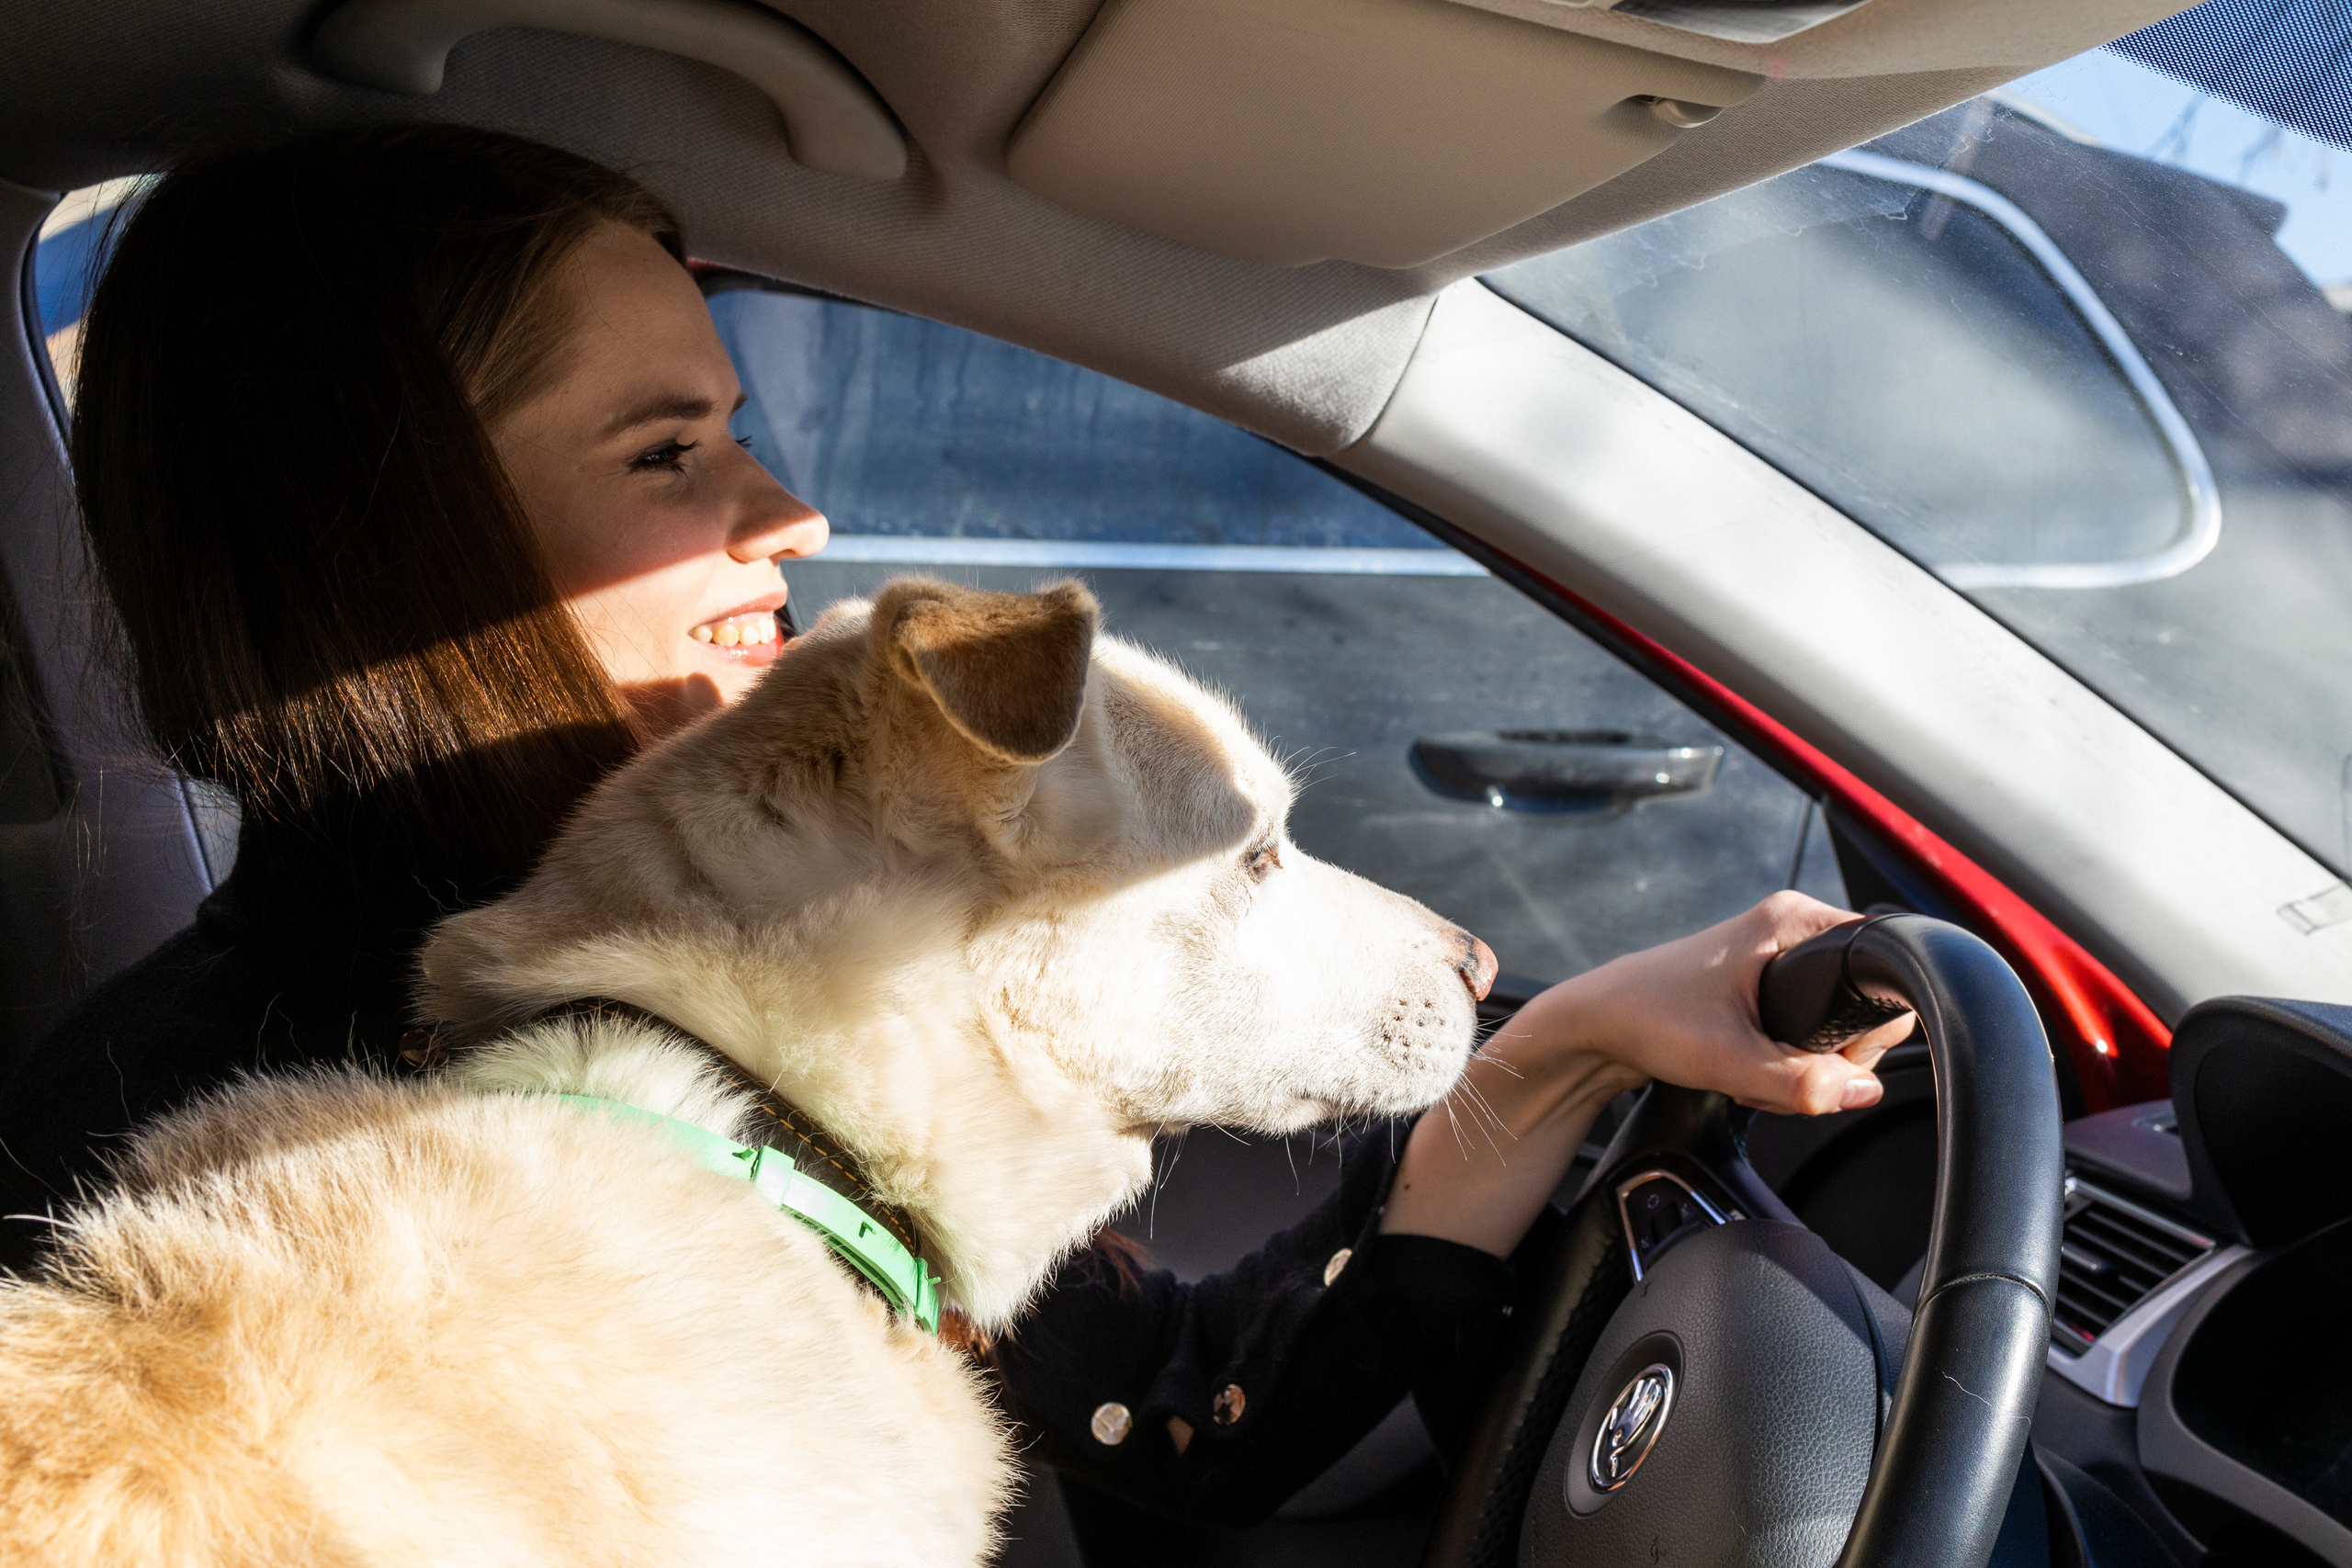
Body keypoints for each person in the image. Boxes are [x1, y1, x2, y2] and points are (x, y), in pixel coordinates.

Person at [0, 127, 1911, 1533]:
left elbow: (1140, 1427)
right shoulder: (217, 1193)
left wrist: (1550, 1058)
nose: (788, 512)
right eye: (667, 452)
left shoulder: (772, 993)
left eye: (737, 428)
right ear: (378, 540)